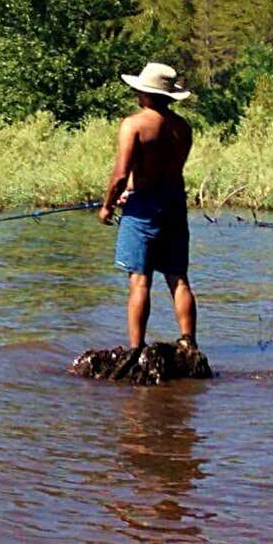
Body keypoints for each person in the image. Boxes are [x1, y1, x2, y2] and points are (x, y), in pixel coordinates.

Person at [97, 62, 197, 351]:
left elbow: (119, 175)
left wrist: (107, 207)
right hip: (175, 204)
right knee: (178, 278)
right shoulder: (183, 127)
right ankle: (188, 342)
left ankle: (136, 349)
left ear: (146, 94)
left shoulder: (134, 125)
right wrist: (133, 187)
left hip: (143, 209)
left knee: (140, 281)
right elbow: (166, 168)